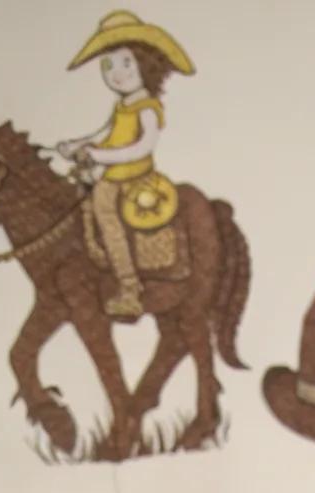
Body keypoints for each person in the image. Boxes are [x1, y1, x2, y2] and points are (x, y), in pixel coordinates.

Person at [59, 10, 194, 317]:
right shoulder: (123, 105)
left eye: (125, 63)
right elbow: (104, 133)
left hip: (132, 177)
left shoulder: (147, 107)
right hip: (109, 172)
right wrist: (77, 145)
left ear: (145, 64)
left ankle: (130, 288)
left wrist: (98, 155)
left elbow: (141, 148)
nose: (115, 72)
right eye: (108, 65)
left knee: (105, 211)